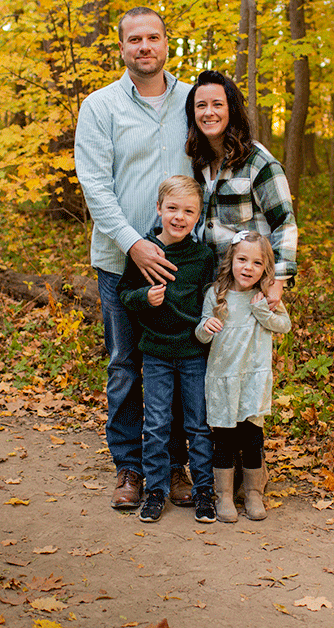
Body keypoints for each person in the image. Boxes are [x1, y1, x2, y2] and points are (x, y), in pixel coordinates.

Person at [74, 7, 195, 510]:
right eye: (134, 40)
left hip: (184, 261)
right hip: (120, 259)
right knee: (126, 364)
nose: (144, 47)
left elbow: (229, 154)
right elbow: (96, 187)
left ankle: (174, 464)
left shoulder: (193, 101)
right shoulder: (100, 107)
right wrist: (134, 244)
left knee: (179, 363)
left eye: (153, 38)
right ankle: (128, 466)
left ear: (168, 43)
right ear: (121, 47)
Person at [117, 176, 217, 524]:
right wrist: (144, 298)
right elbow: (124, 294)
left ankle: (204, 489)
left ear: (198, 216)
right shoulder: (144, 251)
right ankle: (156, 490)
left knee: (199, 425)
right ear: (158, 209)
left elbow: (212, 300)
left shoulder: (203, 256)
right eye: (172, 208)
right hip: (156, 354)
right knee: (157, 424)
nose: (179, 216)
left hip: (193, 354)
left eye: (188, 211)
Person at [197, 230, 291, 522]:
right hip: (223, 378)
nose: (248, 268)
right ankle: (224, 495)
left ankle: (252, 494)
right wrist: (206, 326)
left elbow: (284, 325)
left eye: (257, 263)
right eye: (242, 260)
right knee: (224, 439)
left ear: (266, 268)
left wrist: (262, 310)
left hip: (253, 379)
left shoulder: (264, 296)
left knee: (252, 438)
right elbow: (200, 335)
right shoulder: (216, 294)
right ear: (231, 260)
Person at [185, 70, 297, 307]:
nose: (209, 112)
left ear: (231, 109)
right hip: (210, 290)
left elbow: (284, 222)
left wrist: (277, 282)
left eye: (217, 104)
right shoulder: (196, 163)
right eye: (201, 105)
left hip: (250, 291)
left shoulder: (258, 162)